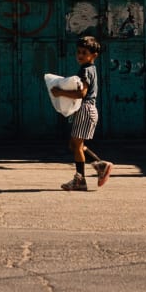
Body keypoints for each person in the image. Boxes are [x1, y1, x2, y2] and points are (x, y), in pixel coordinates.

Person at [50, 35, 113, 191]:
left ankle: (80, 179)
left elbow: (81, 94)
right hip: (86, 110)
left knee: (77, 146)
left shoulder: (85, 70)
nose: (80, 55)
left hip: (85, 109)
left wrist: (60, 92)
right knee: (74, 145)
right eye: (78, 52)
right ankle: (100, 165)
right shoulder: (90, 69)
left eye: (84, 53)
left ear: (94, 55)